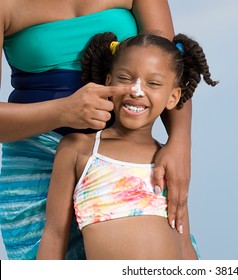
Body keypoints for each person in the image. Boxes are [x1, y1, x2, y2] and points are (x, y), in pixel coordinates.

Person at [0, 0, 193, 260]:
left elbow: (170, 65)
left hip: (121, 157)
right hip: (34, 164)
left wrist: (180, 143)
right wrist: (63, 111)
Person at [37, 32, 217, 259]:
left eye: (153, 83)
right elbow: (54, 235)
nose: (136, 90)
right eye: (125, 78)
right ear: (108, 82)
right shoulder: (78, 150)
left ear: (173, 97)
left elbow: (183, 241)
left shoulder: (168, 161)